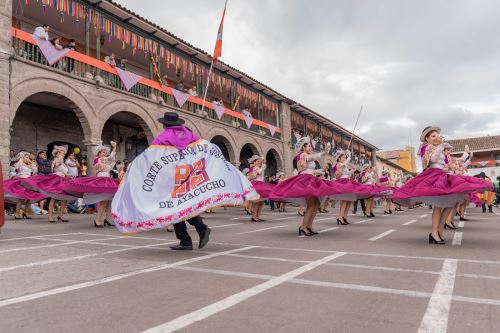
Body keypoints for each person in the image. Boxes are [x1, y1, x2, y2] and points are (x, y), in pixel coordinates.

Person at [111, 112, 258, 250]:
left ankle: (187, 240)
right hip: (189, 176)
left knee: (175, 206)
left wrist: (134, 167)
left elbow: (151, 158)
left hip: (173, 178)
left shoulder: (162, 137)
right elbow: (205, 148)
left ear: (164, 125)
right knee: (186, 203)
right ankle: (200, 229)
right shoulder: (191, 135)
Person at [393, 126, 492, 245]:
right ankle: (434, 233)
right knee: (438, 206)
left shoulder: (440, 149)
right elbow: (432, 160)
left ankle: (439, 230)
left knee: (451, 202)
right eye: (433, 136)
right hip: (433, 176)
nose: (436, 138)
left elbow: (451, 163)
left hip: (444, 175)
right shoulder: (426, 147)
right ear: (427, 139)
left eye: (437, 135)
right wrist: (440, 146)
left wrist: (466, 156)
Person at [269, 137, 338, 236]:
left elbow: (312, 171)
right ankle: (303, 227)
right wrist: (323, 152)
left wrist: (321, 170)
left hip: (311, 178)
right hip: (305, 180)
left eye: (310, 146)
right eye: (309, 146)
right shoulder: (302, 155)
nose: (310, 147)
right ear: (303, 147)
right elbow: (311, 159)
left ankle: (309, 226)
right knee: (311, 204)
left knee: (316, 203)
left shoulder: (308, 156)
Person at [3, 152, 44, 219]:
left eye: (28, 157)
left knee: (28, 198)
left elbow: (35, 171)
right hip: (21, 182)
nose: (28, 159)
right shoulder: (20, 163)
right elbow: (16, 167)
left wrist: (32, 164)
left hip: (29, 182)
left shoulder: (30, 165)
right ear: (23, 158)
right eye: (26, 157)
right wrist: (20, 160)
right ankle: (17, 213)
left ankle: (26, 213)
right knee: (21, 198)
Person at [246, 155, 274, 222]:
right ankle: (254, 216)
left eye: (260, 161)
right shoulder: (255, 167)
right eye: (258, 161)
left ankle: (257, 216)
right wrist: (262, 168)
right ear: (255, 162)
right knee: (257, 201)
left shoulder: (260, 167)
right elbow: (255, 175)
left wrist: (263, 165)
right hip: (257, 184)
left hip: (261, 184)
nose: (259, 162)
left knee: (261, 201)